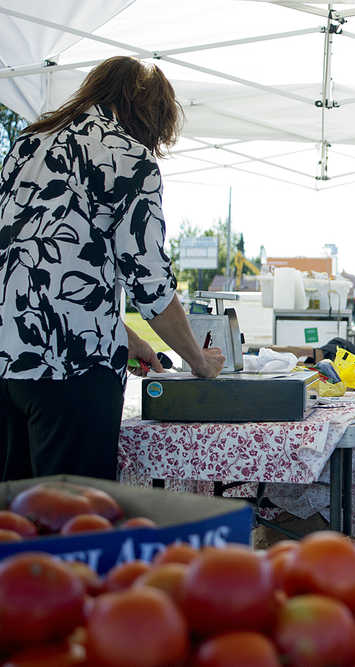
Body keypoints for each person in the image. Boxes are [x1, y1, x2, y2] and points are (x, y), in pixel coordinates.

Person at [0, 56, 225, 482]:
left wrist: (127, 336)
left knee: (13, 525)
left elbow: (32, 265)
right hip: (72, 369)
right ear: (147, 111)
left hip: (7, 358)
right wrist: (197, 360)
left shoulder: (27, 145)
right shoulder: (128, 156)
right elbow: (149, 280)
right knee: (73, 524)